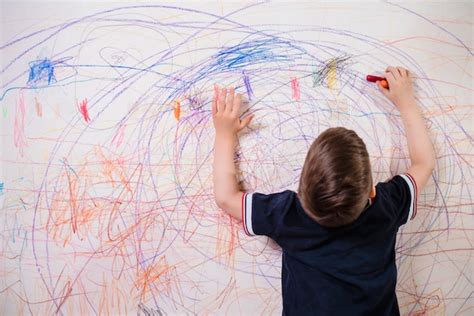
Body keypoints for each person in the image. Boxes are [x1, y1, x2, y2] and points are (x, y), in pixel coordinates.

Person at [212, 66, 435, 315]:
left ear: (302, 190)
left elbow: (225, 197)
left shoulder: (288, 215)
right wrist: (405, 101)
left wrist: (224, 134)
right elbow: (424, 163)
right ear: (371, 192)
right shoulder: (386, 208)